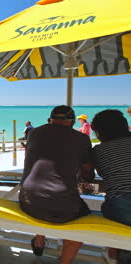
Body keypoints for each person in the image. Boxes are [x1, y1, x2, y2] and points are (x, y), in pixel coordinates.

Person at [20, 105, 94, 264]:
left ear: (50, 120)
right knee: (81, 222)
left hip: (27, 200)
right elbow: (87, 173)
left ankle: (39, 239)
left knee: (43, 197)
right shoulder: (81, 138)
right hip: (62, 206)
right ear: (73, 122)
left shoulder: (34, 133)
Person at [91, 110, 131, 263]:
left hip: (122, 206)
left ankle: (113, 252)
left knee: (112, 208)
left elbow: (103, 177)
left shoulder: (99, 151)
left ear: (100, 131)